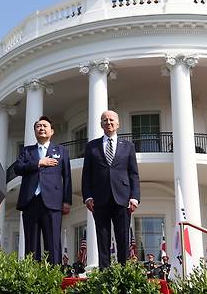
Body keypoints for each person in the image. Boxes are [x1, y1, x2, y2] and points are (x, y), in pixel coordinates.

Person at [82, 110, 141, 269]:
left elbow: (133, 174)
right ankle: (104, 273)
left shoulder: (128, 146)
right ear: (101, 124)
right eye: (105, 120)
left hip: (122, 198)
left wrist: (134, 197)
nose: (108, 122)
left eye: (111, 120)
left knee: (123, 238)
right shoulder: (91, 146)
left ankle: (124, 272)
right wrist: (87, 196)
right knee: (102, 238)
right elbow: (86, 174)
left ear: (118, 123)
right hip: (99, 199)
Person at [14, 116, 72, 265]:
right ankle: (33, 278)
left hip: (53, 202)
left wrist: (66, 201)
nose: (41, 128)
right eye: (38, 126)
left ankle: (54, 278)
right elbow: (18, 168)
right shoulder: (27, 151)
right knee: (31, 244)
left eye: (45, 126)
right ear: (34, 131)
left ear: (51, 131)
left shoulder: (61, 151)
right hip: (30, 201)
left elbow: (67, 176)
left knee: (53, 242)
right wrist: (39, 162)